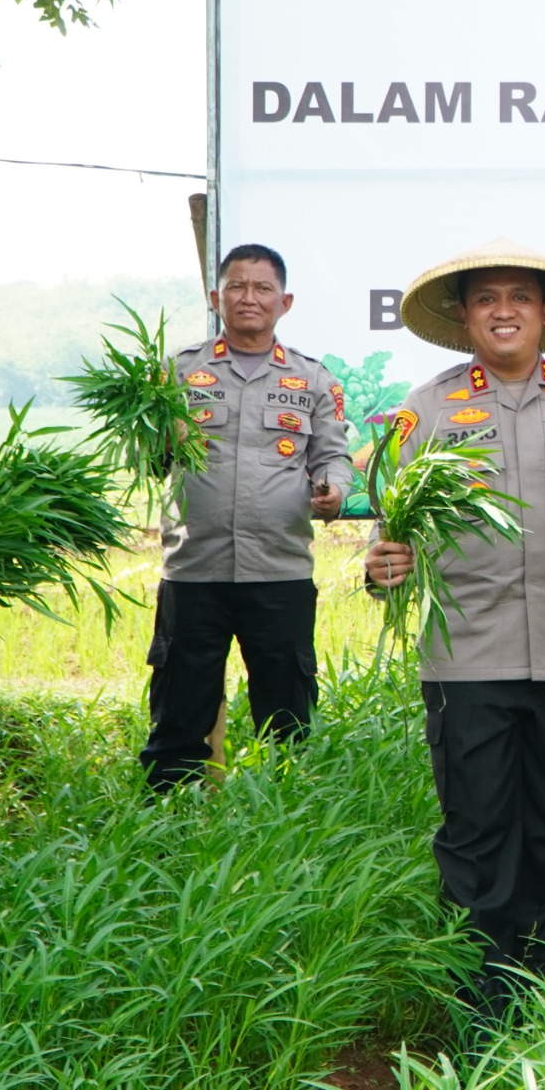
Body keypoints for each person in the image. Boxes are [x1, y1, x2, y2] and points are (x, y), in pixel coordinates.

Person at [362, 238, 545, 1026]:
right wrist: (383, 566)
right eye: (486, 299)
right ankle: (477, 988)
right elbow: (388, 525)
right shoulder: (429, 407)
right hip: (466, 653)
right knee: (476, 825)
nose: (504, 310)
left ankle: (534, 974)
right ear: (466, 317)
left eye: (520, 297)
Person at [140, 242, 354, 792]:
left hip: (280, 573)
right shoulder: (176, 373)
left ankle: (288, 839)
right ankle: (170, 832)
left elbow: (331, 456)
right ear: (217, 297)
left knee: (288, 723)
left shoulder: (312, 379)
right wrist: (163, 436)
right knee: (178, 717)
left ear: (284, 302)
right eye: (237, 286)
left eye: (262, 289)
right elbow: (148, 459)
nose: (248, 298)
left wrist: (332, 492)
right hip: (193, 572)